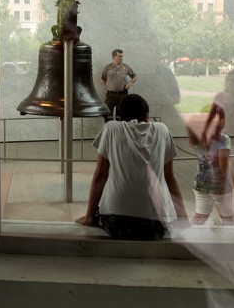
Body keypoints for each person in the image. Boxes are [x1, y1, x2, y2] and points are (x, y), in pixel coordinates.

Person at [75, 94, 188, 240]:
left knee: (101, 209)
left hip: (116, 224)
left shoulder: (111, 129)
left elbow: (100, 175)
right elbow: (169, 177)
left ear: (120, 118)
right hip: (156, 226)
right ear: (147, 116)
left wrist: (89, 217)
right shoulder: (162, 130)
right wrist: (183, 218)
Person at [189, 103, 234, 225]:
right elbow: (223, 166)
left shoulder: (197, 137)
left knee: (200, 216)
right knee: (228, 219)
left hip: (201, 183)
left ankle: (189, 236)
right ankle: (227, 242)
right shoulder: (224, 139)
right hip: (220, 186)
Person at [100, 49, 138, 116]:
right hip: (110, 95)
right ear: (114, 57)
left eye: (122, 56)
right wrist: (110, 86)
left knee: (122, 114)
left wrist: (131, 82)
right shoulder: (107, 68)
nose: (121, 58)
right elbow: (102, 80)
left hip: (123, 95)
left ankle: (120, 126)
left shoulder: (126, 67)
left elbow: (135, 76)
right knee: (107, 114)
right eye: (120, 56)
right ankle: (110, 126)